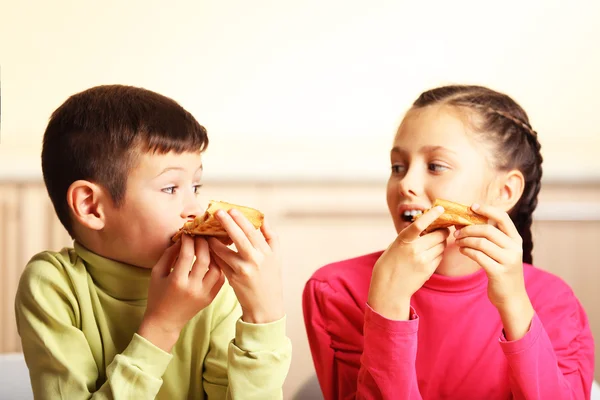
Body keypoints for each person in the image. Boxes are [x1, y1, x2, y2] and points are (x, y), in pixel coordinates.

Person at [302, 85, 595, 399]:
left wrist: (514, 305)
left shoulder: (555, 302)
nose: (406, 185)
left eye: (435, 166)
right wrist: (387, 307)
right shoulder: (336, 290)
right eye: (397, 167)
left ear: (505, 191)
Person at [15, 84, 291, 399]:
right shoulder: (53, 286)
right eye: (170, 188)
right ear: (91, 206)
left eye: (195, 186)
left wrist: (263, 317)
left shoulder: (213, 289)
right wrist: (163, 325)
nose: (195, 210)